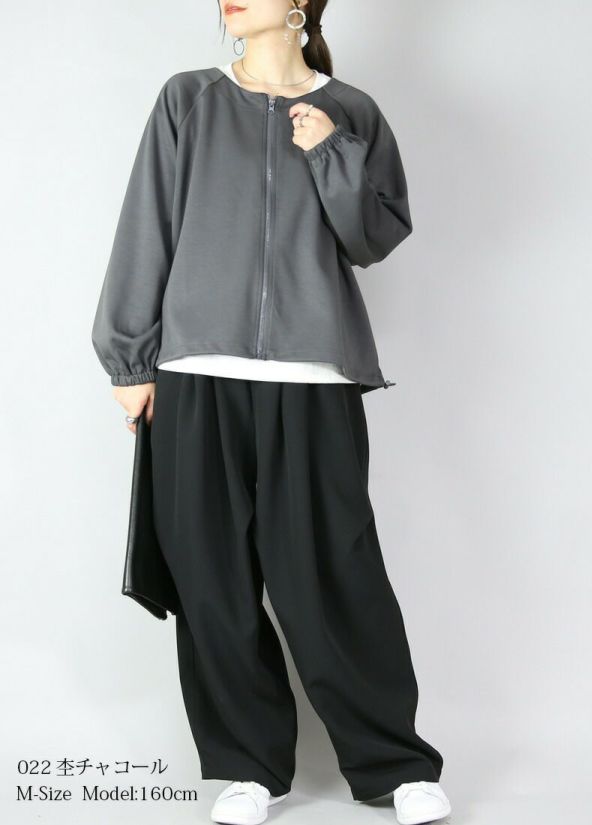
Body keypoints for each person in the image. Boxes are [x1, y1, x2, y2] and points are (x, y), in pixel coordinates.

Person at [91, 1, 452, 823]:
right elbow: (147, 220)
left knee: (333, 570)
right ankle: (248, 765)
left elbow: (373, 236)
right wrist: (130, 357)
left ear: (299, 3)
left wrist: (326, 149)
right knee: (210, 574)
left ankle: (395, 765)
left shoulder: (351, 111)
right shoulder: (188, 98)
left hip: (313, 372)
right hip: (194, 370)